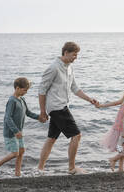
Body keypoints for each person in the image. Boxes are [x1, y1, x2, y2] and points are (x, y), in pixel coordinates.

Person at [37, 42, 98, 174]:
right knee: (76, 135)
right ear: (65, 53)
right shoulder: (53, 68)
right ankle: (71, 168)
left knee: (51, 139)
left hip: (63, 106)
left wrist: (89, 99)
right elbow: (42, 90)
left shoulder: (69, 67)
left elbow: (74, 88)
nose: (76, 57)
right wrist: (42, 111)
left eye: (77, 55)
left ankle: (40, 169)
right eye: (74, 54)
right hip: (57, 108)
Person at [0, 77, 43, 179]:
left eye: (27, 90)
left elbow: (27, 112)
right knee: (15, 153)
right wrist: (15, 131)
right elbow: (7, 118)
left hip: (19, 131)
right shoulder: (12, 101)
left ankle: (18, 173)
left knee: (22, 151)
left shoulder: (22, 99)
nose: (26, 92)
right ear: (17, 88)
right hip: (11, 132)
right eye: (25, 90)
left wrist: (39, 117)